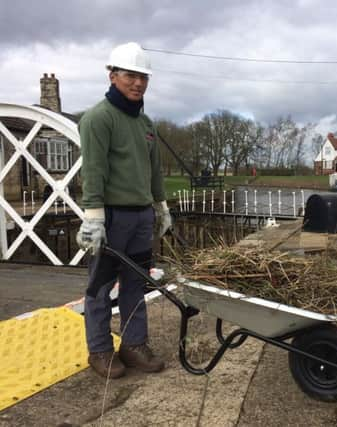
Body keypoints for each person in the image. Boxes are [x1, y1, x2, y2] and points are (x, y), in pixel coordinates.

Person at [76, 42, 172, 379]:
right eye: (131, 75)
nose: (138, 83)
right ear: (112, 75)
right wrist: (93, 216)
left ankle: (133, 346)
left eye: (143, 76)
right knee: (101, 287)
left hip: (141, 214)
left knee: (136, 284)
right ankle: (100, 350)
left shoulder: (145, 123)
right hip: (112, 216)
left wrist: (160, 206)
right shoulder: (98, 119)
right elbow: (94, 171)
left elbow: (154, 169)